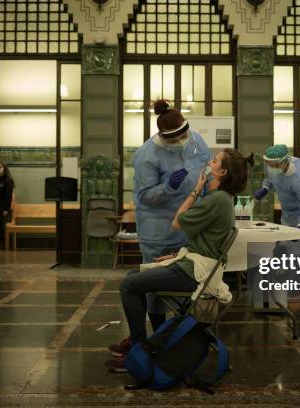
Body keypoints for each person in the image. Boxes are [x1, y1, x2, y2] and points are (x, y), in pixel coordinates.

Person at [105, 149, 254, 372]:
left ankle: (137, 352)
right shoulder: (220, 199)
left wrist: (195, 189)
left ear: (221, 171)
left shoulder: (217, 200)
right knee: (132, 276)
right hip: (193, 262)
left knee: (129, 286)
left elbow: (177, 222)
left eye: (214, 160)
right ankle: (142, 346)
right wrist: (177, 256)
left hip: (195, 272)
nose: (209, 161)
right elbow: (203, 241)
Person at [130, 99, 211, 332]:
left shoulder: (196, 141)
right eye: (175, 140)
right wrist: (168, 188)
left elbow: (205, 172)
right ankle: (158, 333)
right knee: (155, 285)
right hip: (158, 230)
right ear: (163, 137)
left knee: (188, 280)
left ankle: (181, 332)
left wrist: (208, 203)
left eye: (184, 137)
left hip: (190, 226)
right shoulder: (147, 156)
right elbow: (145, 196)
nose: (182, 143)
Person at [254, 144, 300, 232]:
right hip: (288, 213)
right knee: (287, 242)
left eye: (273, 165)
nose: (270, 167)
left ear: (283, 163)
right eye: (268, 164)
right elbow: (271, 178)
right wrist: (265, 188)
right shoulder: (274, 167)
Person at [0, 162, 15, 249]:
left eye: (0, 167)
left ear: (4, 168)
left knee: (2, 226)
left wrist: (6, 208)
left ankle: (5, 244)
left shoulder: (8, 181)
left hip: (3, 207)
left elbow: (8, 195)